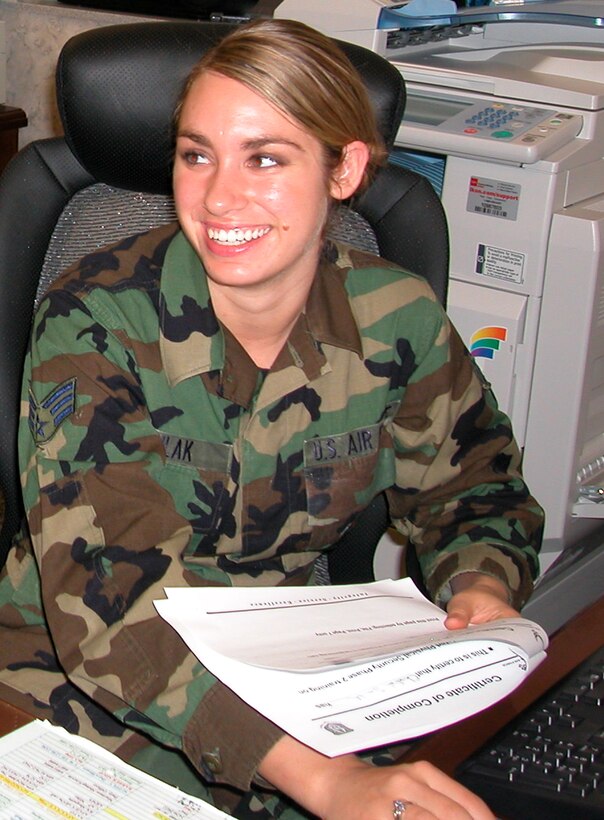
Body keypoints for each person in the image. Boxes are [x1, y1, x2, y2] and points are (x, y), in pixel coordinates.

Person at [0, 17, 542, 820]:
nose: (219, 197)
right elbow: (112, 597)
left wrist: (481, 587)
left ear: (344, 169)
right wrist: (325, 780)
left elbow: (478, 491)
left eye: (265, 158)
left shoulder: (397, 318)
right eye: (197, 155)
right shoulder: (94, 320)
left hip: (300, 682)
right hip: (79, 693)